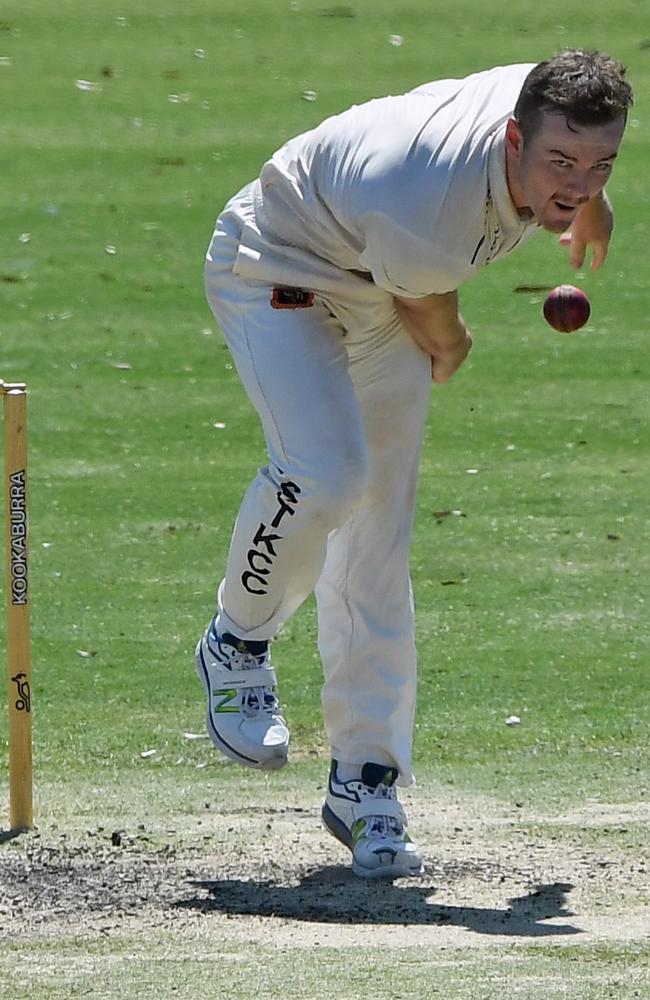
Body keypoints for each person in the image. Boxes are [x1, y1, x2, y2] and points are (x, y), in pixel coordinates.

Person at [196, 50, 633, 879]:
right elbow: (433, 315)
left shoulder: (548, 98)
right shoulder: (430, 204)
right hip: (279, 264)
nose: (574, 182)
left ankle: (366, 783)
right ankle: (237, 642)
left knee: (378, 535)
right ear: (513, 136)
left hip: (375, 276)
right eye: (559, 166)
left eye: (599, 163)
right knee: (327, 473)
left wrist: (589, 200)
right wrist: (454, 341)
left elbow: (573, 140)